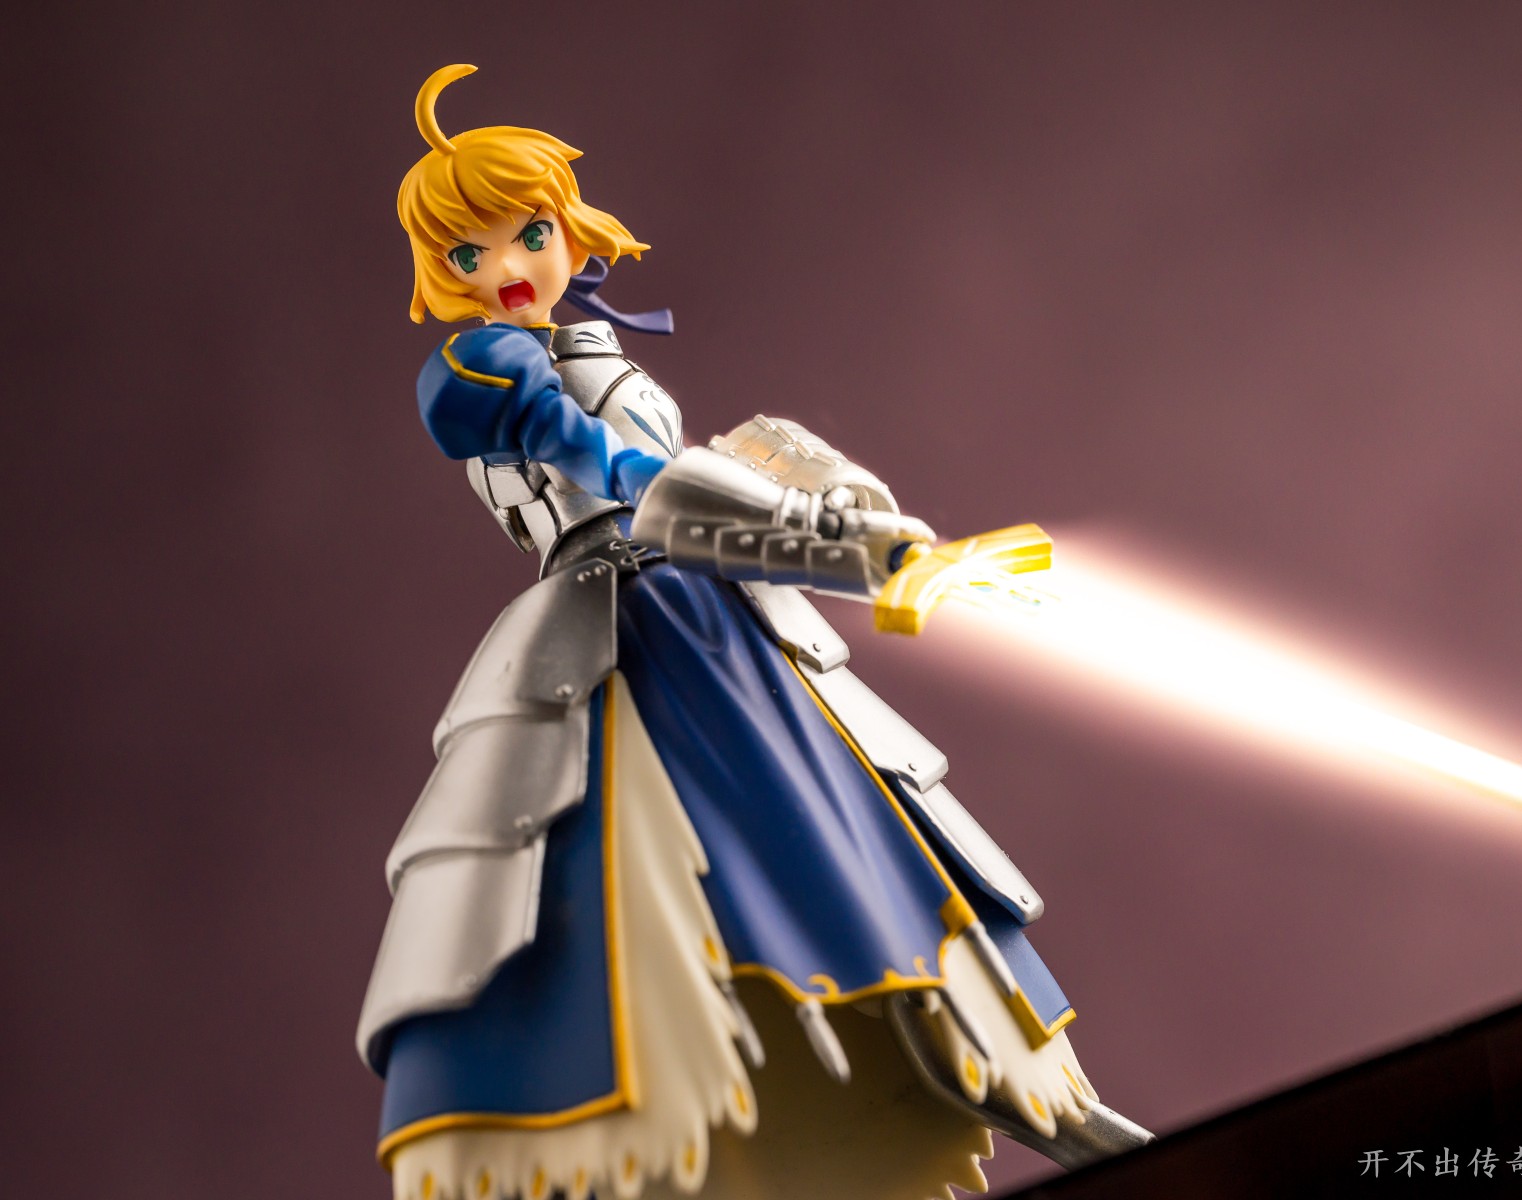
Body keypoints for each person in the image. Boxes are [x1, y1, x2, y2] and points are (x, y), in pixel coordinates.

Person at [357, 63, 1148, 1200]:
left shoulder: (600, 352)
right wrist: (844, 544)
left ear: (569, 229)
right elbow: (623, 474)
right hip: (622, 634)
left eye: (530, 232)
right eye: (470, 251)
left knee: (866, 870)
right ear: (443, 268)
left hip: (725, 621)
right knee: (635, 925)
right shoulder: (478, 366)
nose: (511, 266)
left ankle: (1024, 1099)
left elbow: (716, 467)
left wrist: (855, 514)